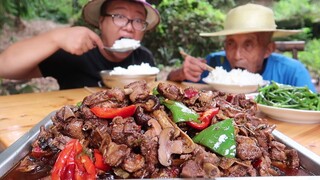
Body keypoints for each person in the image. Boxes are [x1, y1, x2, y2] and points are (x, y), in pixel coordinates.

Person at [0, 0, 160, 89]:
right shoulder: (76, 53)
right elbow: (4, 67)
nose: (129, 26)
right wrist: (56, 38)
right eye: (119, 16)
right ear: (101, 22)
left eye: (139, 20)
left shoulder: (143, 58)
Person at [167, 3, 317, 92]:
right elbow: (170, 83)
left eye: (248, 44)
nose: (237, 55)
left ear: (268, 49)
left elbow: (313, 111)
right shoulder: (214, 62)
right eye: (231, 43)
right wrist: (182, 72)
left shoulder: (293, 72)